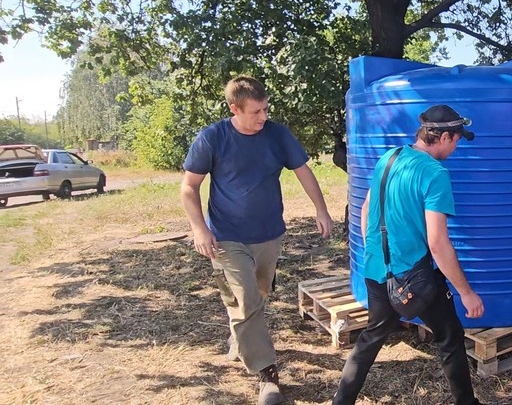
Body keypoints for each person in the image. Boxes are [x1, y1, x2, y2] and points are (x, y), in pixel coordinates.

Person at [181, 75, 334, 405]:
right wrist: (199, 229)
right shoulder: (212, 138)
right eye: (256, 112)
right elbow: (189, 187)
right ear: (234, 109)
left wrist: (321, 209)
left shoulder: (277, 135)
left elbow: (303, 171)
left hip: (268, 234)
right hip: (226, 236)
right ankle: (268, 378)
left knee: (257, 296)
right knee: (248, 300)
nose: (264, 117)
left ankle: (241, 337)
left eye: (266, 109)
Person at [333, 104, 485, 405]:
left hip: (377, 271)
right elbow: (438, 243)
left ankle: (341, 402)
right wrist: (466, 293)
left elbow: (365, 210)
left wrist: (377, 252)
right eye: (455, 141)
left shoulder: (389, 158)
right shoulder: (434, 173)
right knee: (450, 338)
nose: (456, 148)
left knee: (370, 338)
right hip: (414, 278)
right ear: (443, 138)